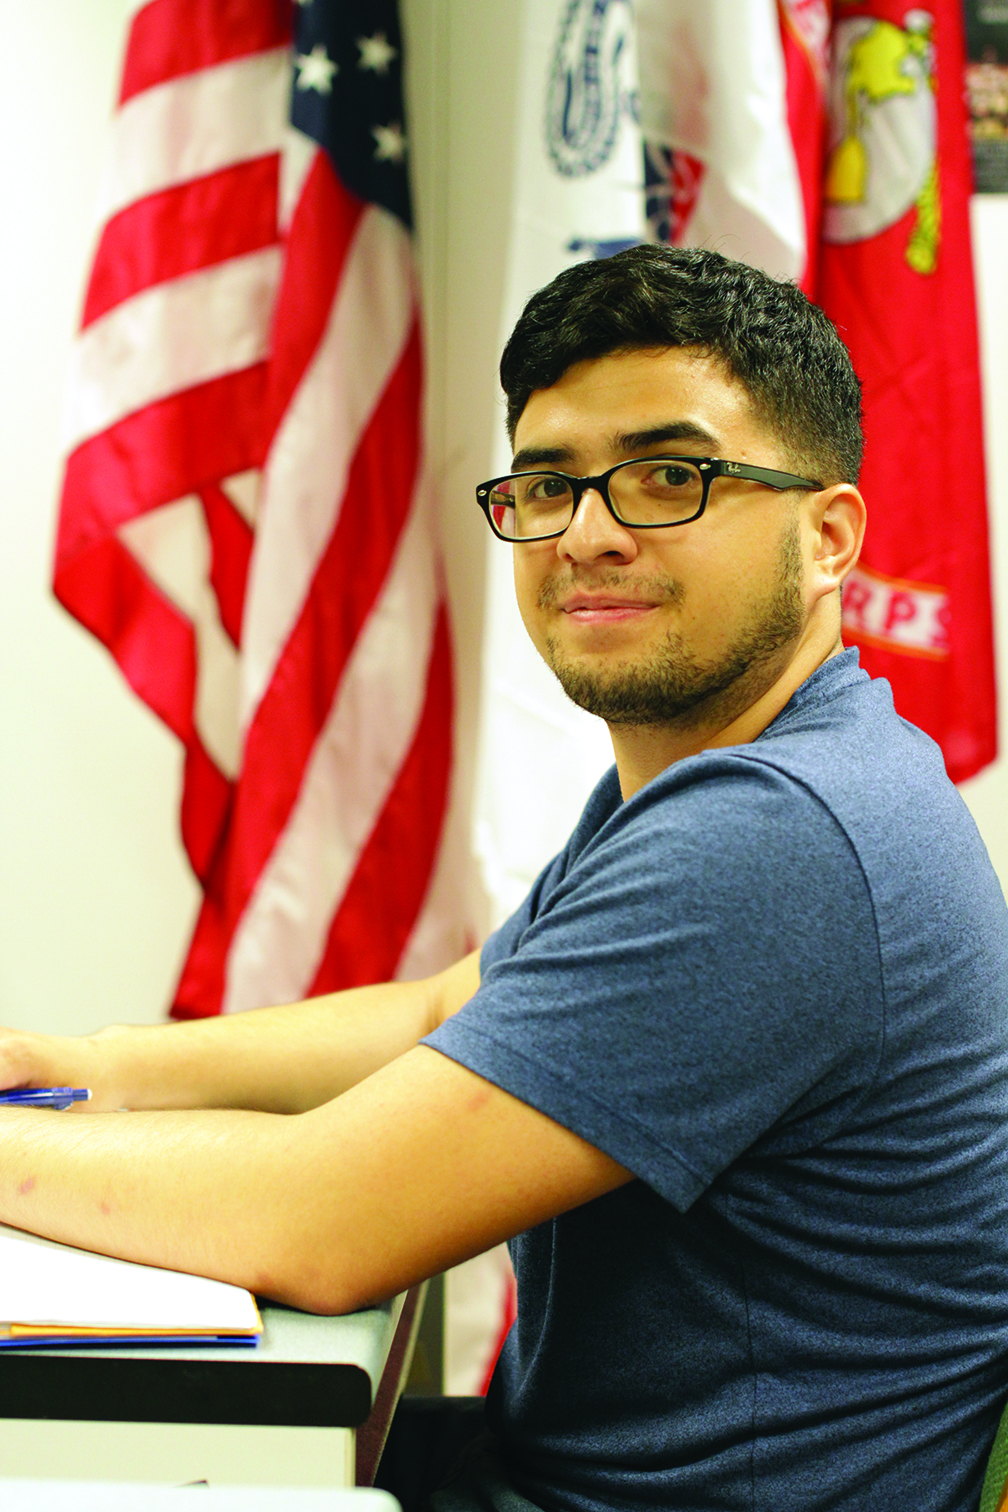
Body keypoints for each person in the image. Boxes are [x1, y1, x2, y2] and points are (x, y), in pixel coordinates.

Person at [2, 245, 1007, 1512]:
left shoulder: (782, 836)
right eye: (547, 484)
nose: (587, 534)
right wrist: (91, 1065)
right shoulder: (752, 769)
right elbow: (448, 1010)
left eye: (667, 477)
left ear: (828, 536)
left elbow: (320, 1224)